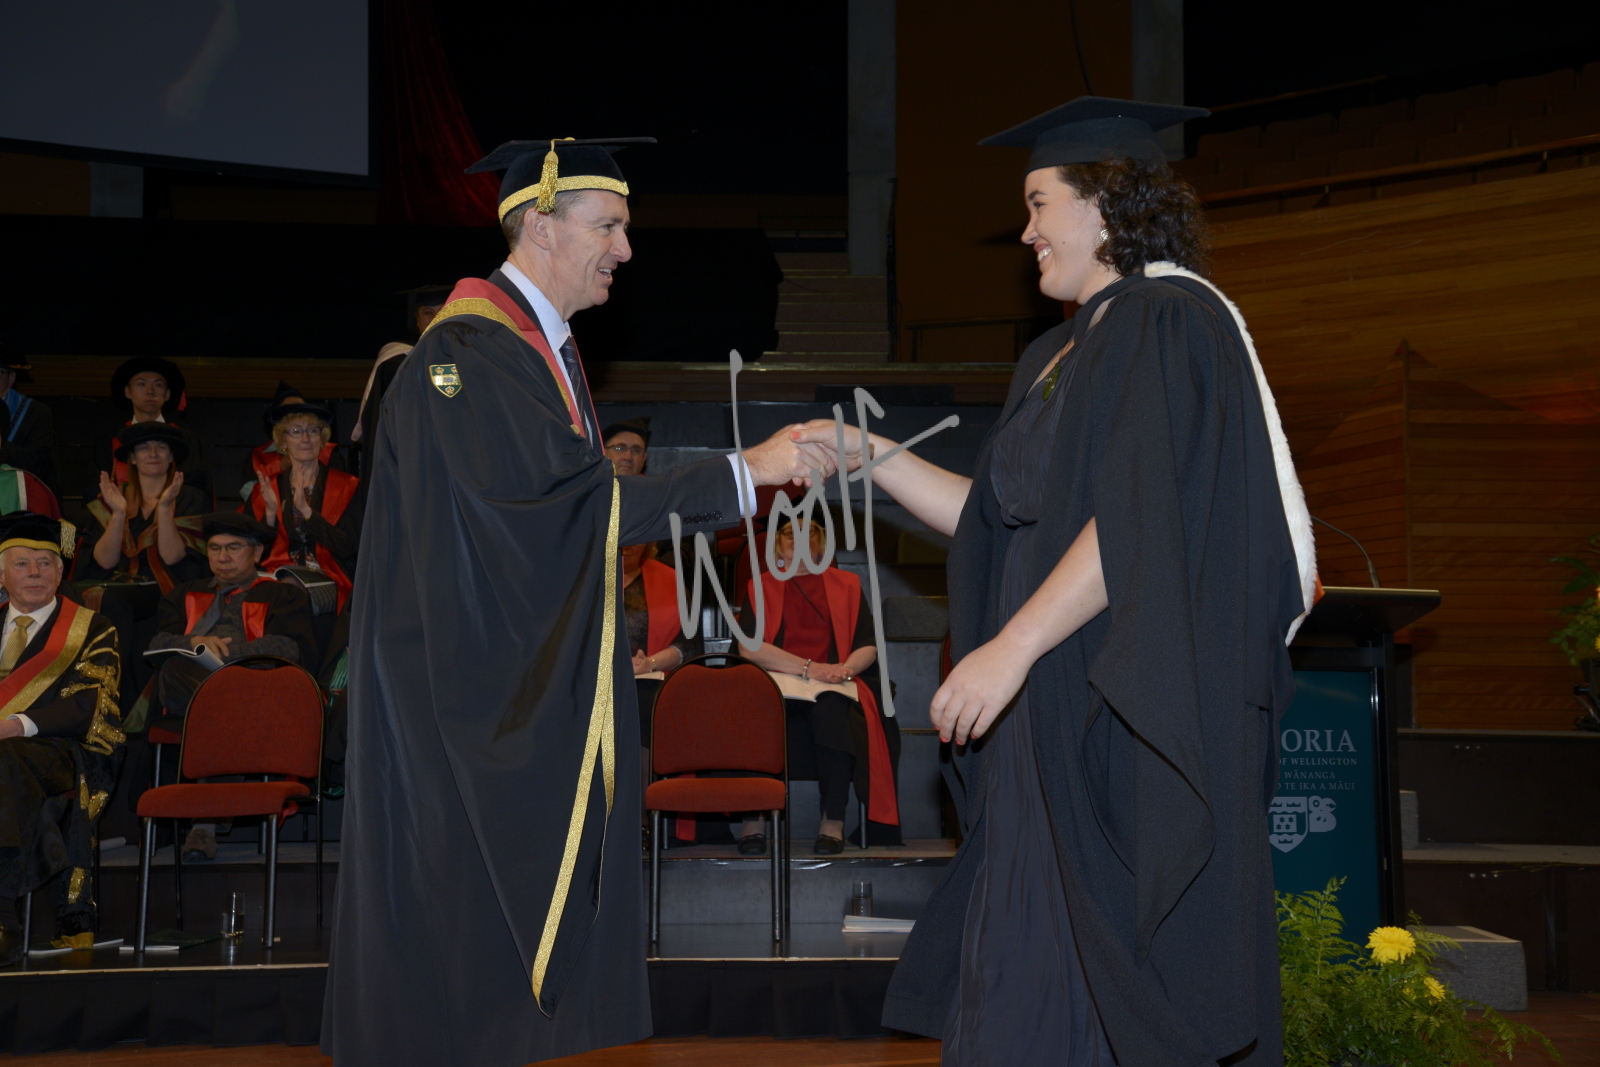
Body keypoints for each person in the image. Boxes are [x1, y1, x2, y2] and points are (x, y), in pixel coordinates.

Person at [794, 98, 1317, 1067]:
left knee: (1113, 969)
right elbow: (999, 515)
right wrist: (871, 455)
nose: (1026, 230)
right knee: (1028, 950)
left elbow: (1141, 524)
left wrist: (1011, 646)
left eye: (1040, 203)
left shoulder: (1165, 321)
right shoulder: (1056, 352)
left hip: (1109, 697)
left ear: (1107, 203)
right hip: (1047, 705)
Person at [322, 136, 834, 1067]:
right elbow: (565, 506)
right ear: (540, 226)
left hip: (486, 664)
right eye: (609, 226)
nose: (625, 249)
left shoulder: (528, 352)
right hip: (457, 688)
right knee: (459, 946)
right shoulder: (468, 354)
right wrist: (745, 471)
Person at [146, 513, 317, 861]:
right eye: (214, 548)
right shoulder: (184, 594)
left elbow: (288, 647)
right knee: (176, 668)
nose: (222, 557)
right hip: (189, 686)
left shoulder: (281, 594)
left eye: (233, 547)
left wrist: (227, 656)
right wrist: (194, 642)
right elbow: (157, 643)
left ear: (257, 553)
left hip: (254, 688)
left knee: (225, 705)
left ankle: (205, 825)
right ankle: (208, 820)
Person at [0, 513, 124, 964]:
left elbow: (86, 707)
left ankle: (3, 918)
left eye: (45, 563)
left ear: (59, 571)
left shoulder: (92, 628)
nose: (34, 572)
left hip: (59, 749)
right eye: (21, 564)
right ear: (1, 574)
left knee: (6, 759)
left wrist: (17, 724)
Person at [733, 516, 897, 854]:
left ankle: (832, 821)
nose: (798, 538)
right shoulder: (760, 586)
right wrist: (809, 668)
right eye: (789, 533)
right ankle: (754, 819)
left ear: (821, 544)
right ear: (778, 546)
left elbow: (868, 644)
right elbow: (748, 648)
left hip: (831, 685)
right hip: (777, 680)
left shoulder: (847, 585)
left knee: (834, 711)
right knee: (756, 708)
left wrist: (845, 670)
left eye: (808, 532)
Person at [74, 422, 209, 713]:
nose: (153, 453)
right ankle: (101, 699)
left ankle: (109, 700)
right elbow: (104, 561)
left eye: (161, 447)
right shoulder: (114, 497)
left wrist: (165, 507)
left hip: (169, 586)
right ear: (132, 458)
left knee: (115, 604)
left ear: (172, 457)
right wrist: (119, 513)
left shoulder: (189, 496)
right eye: (144, 448)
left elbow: (172, 556)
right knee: (106, 601)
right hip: (121, 586)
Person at [242, 399, 361, 613]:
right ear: (283, 441)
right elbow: (253, 553)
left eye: (313, 431)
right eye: (296, 431)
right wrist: (270, 515)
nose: (305, 439)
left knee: (288, 594)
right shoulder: (267, 490)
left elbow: (347, 549)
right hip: (277, 575)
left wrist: (307, 512)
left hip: (330, 577)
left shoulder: (347, 486)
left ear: (322, 439)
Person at [350, 285, 450, 487]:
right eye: (428, 313)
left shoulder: (466, 357)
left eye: (442, 312)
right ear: (417, 319)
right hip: (410, 465)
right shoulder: (396, 363)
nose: (435, 319)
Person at [95, 356, 211, 495]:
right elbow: (94, 492)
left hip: (175, 508)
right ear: (128, 392)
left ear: (167, 394)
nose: (150, 391)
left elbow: (198, 491)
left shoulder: (187, 440)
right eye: (141, 384)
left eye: (158, 385)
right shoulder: (110, 443)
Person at [240, 381, 341, 499]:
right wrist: (281, 472)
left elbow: (339, 492)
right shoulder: (257, 458)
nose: (305, 439)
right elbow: (251, 499)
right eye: (296, 431)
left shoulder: (330, 454)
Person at [0, 345, 56, 491]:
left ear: (11, 378)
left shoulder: (35, 413)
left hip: (21, 494)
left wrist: (2, 446)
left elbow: (38, 466)